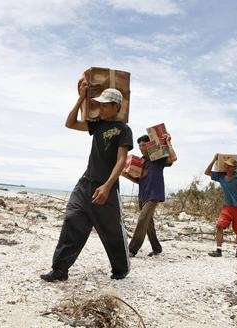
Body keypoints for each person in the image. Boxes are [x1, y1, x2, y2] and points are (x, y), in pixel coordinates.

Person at [40, 86, 133, 282]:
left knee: (111, 230)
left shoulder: (124, 130)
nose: (101, 108)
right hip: (85, 184)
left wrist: (107, 186)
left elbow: (121, 160)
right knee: (72, 220)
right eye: (99, 104)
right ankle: (60, 269)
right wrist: (81, 96)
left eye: (105, 105)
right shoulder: (97, 125)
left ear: (116, 106)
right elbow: (70, 123)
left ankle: (121, 269)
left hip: (106, 187)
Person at [121, 134, 177, 257]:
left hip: (154, 195)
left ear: (149, 144)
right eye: (139, 145)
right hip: (142, 195)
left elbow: (173, 158)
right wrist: (125, 175)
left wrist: (168, 142)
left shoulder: (157, 158)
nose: (141, 147)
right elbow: (139, 180)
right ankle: (156, 248)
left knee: (142, 220)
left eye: (144, 144)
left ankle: (131, 249)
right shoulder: (140, 161)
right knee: (148, 224)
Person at [204, 154, 237, 257]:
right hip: (227, 208)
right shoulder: (221, 177)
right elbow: (207, 172)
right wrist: (214, 159)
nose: (226, 167)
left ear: (234, 168)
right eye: (226, 165)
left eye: (229, 166)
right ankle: (218, 251)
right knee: (219, 225)